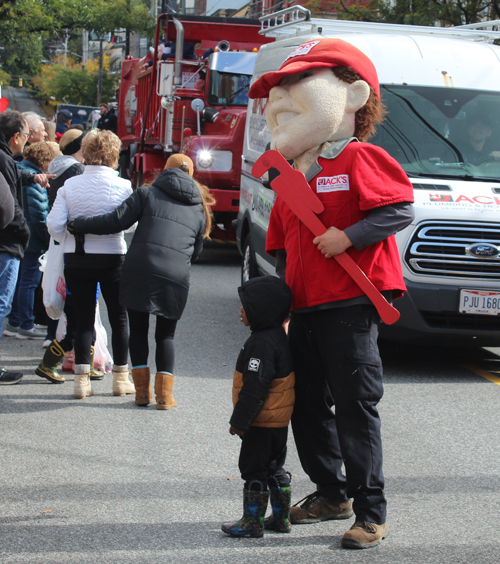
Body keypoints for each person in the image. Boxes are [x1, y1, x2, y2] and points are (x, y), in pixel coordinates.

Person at [248, 38, 415, 549]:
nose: (282, 96)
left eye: (298, 83)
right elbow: (277, 255)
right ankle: (331, 492)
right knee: (307, 406)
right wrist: (270, 313)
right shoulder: (287, 179)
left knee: (354, 405)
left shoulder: (361, 157)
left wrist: (350, 236)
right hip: (304, 308)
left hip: (350, 304)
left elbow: (398, 209)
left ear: (354, 95)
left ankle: (370, 512)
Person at [68, 154, 214, 409]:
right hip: (175, 275)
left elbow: (116, 221)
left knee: (138, 330)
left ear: (164, 173)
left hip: (139, 269)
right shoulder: (200, 208)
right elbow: (196, 252)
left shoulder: (147, 194)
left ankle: (142, 394)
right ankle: (165, 397)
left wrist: (79, 224)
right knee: (166, 336)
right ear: (191, 176)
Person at [47, 129, 134, 399]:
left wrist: (73, 230)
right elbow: (132, 223)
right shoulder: (124, 187)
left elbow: (53, 225)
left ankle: (81, 382)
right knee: (119, 318)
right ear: (113, 154)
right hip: (113, 257)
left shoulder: (69, 186)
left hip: (77, 258)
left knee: (84, 319)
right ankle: (121, 379)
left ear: (85, 153)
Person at [221, 276, 295, 539]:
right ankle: (281, 518)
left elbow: (255, 387)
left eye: (247, 306)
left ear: (262, 311)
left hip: (260, 422)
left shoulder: (261, 344)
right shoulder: (279, 336)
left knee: (254, 470)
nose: (241, 310)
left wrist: (240, 422)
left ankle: (252, 522)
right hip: (279, 422)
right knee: (275, 467)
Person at [6, 143, 56, 341]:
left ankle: (16, 321)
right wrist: (47, 238)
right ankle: (25, 324)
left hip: (24, 236)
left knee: (21, 281)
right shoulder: (34, 179)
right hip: (33, 240)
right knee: (29, 282)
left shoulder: (21, 170)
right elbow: (38, 215)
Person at [0, 111, 31, 384]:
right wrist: (24, 233)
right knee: (1, 304)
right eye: (27, 135)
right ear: (15, 137)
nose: (29, 140)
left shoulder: (5, 158)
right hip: (6, 243)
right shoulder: (4, 159)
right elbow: (9, 205)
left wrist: (34, 177)